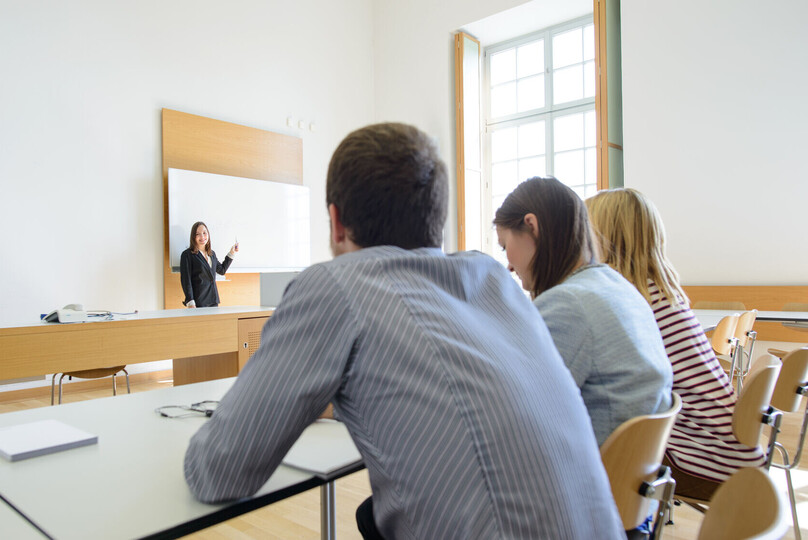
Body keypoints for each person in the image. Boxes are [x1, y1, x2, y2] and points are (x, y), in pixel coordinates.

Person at [184, 124, 624, 539]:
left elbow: (218, 471)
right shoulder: (494, 280)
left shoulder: (338, 285)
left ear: (336, 221)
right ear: (436, 221)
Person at [586, 188, 764, 499]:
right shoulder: (663, 294)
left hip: (704, 457)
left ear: (605, 239)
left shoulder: (633, 303)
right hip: (732, 448)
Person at [493, 177, 672, 447]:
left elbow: (515, 414)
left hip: (588, 477)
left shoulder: (567, 304)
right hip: (631, 478)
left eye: (505, 246)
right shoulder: (619, 287)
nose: (508, 265)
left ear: (531, 225)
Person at [179, 221, 238, 307]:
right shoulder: (187, 255)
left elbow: (222, 270)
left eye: (204, 233)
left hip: (213, 300)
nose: (202, 237)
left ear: (208, 234)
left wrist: (232, 253)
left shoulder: (211, 254)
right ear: (193, 237)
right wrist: (190, 301)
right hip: (198, 302)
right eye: (197, 234)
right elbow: (186, 280)